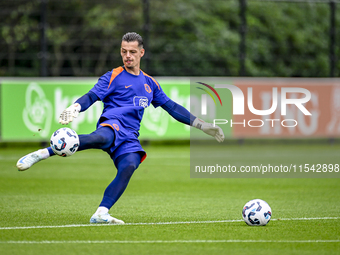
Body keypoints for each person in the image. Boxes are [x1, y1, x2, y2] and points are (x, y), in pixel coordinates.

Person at [16, 32, 224, 224]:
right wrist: (77, 106)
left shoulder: (150, 84)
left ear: (141, 53)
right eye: (124, 51)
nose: (128, 56)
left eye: (132, 52)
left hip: (130, 137)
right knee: (101, 138)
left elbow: (172, 107)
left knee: (130, 165)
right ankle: (43, 153)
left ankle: (101, 213)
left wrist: (202, 125)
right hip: (111, 124)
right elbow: (92, 95)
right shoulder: (113, 76)